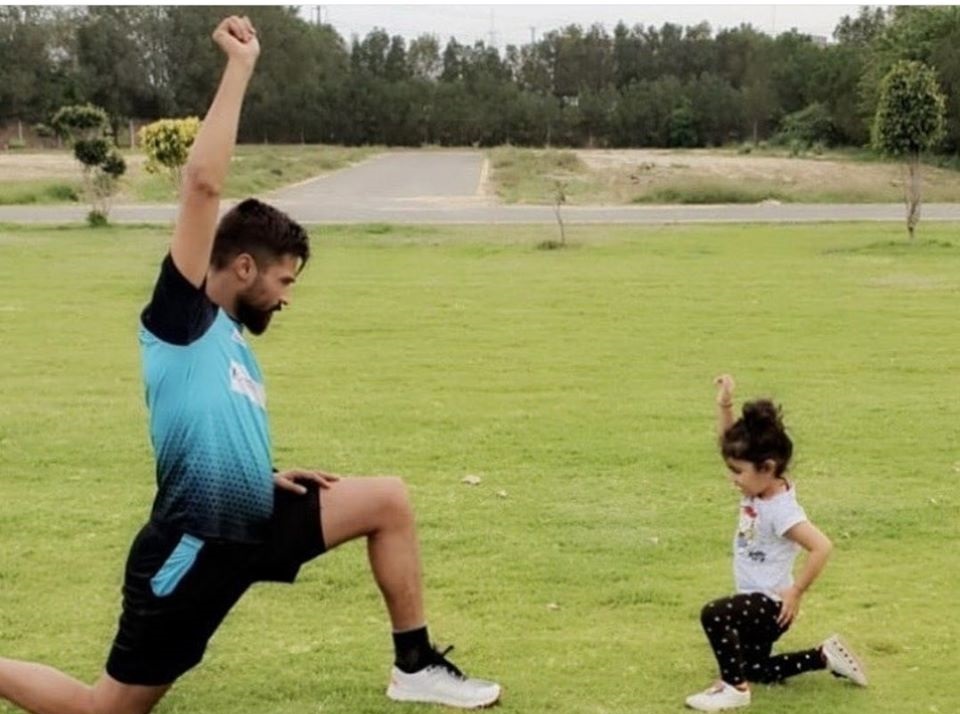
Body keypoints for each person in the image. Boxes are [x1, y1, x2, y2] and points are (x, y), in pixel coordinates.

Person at [0, 16, 500, 713]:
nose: (287, 297)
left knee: (387, 499)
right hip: (193, 549)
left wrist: (262, 476)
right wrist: (240, 67)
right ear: (242, 266)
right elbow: (203, 186)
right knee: (105, 710)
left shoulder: (232, 339)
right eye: (283, 280)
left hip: (255, 520)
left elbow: (211, 428)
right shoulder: (180, 317)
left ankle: (414, 665)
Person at [684, 374, 867, 712]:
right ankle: (824, 656)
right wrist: (725, 405)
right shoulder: (760, 486)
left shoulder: (781, 511)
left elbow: (822, 546)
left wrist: (796, 592)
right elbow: (729, 442)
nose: (732, 479)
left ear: (767, 468)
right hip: (755, 602)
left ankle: (734, 690)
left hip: (769, 605)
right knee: (755, 668)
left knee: (715, 615)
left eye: (738, 472)